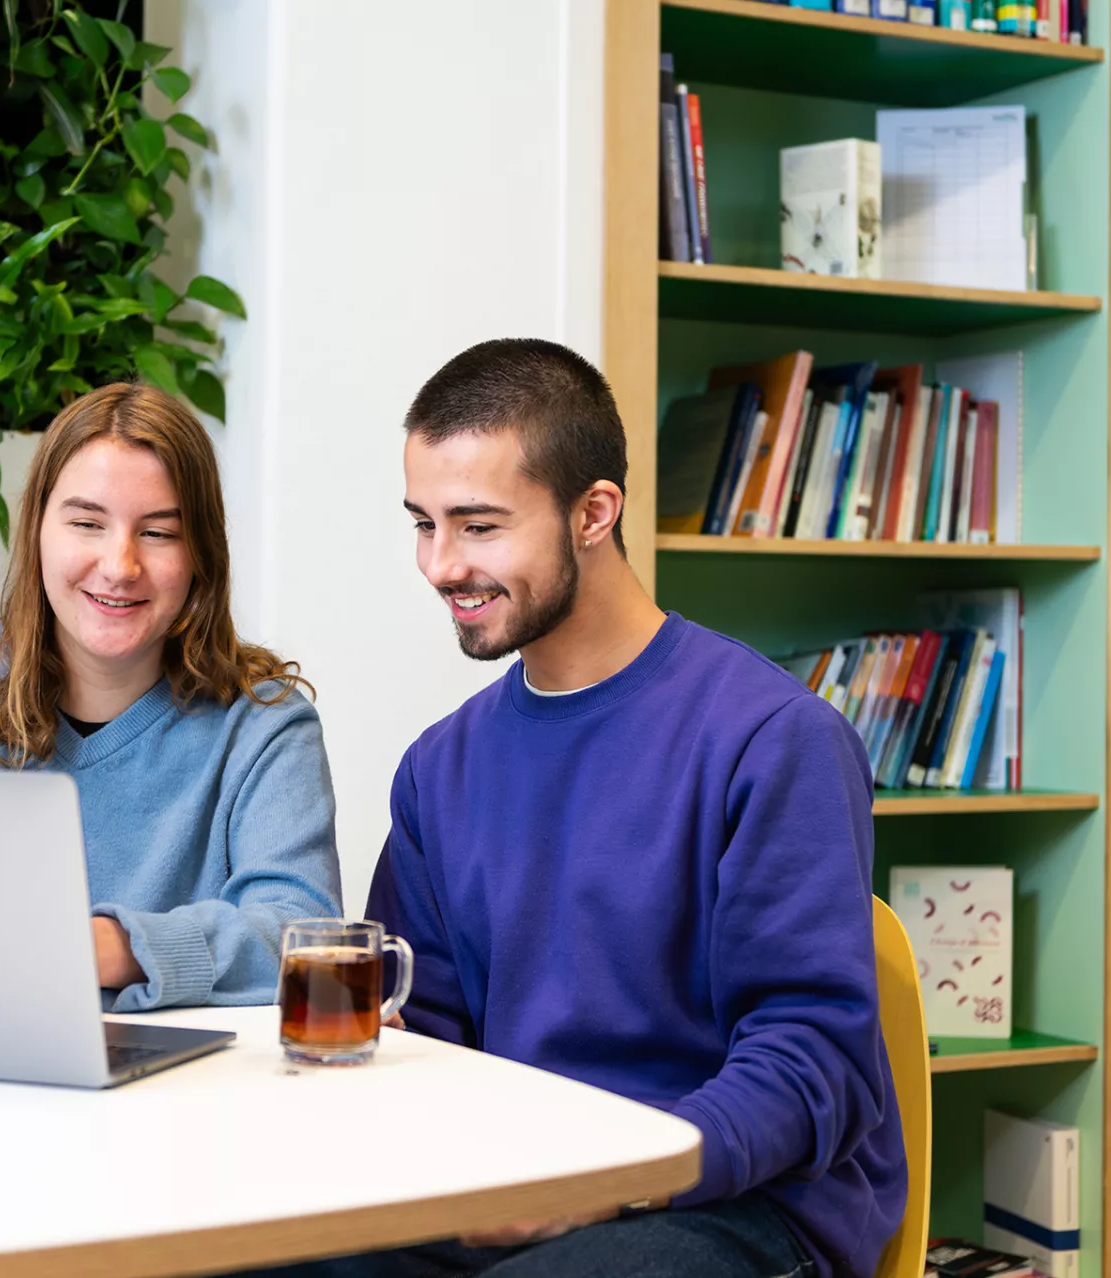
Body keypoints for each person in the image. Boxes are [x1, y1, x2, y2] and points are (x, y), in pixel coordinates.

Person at [270, 339, 903, 1278]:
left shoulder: (774, 740)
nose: (440, 566)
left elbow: (819, 1066)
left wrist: (601, 1179)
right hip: (515, 1191)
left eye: (478, 527)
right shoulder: (440, 768)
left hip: (733, 1206)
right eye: (423, 523)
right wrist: (394, 1062)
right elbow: (432, 1027)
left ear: (593, 512)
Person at [0, 382, 342, 1010]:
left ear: (201, 555)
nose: (119, 565)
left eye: (159, 533)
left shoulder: (265, 726)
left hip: (193, 1096)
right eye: (86, 523)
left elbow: (305, 938)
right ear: (37, 533)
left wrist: (108, 947)